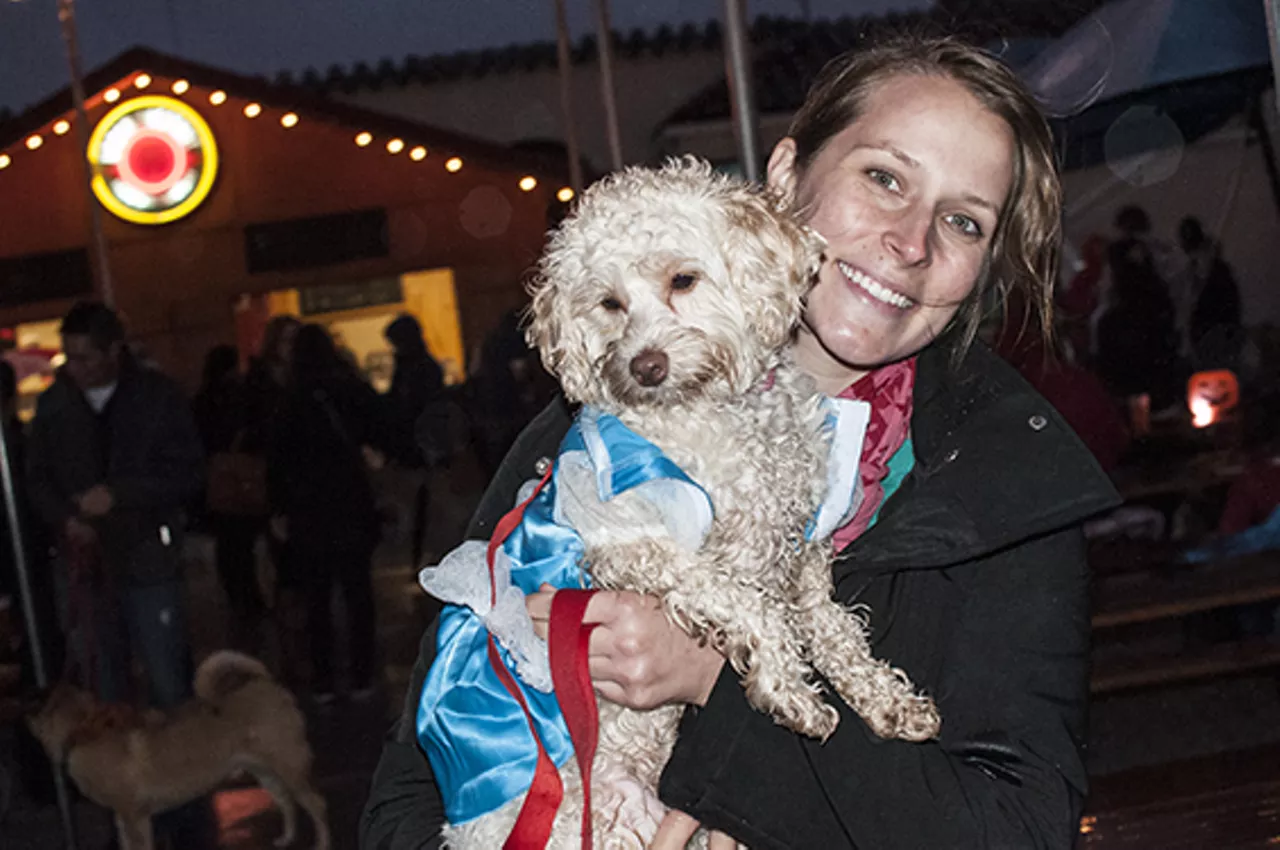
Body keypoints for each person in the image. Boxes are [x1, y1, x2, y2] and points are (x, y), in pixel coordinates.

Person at [361, 36, 1120, 849]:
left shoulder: (1012, 483)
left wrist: (712, 686)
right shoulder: (587, 445)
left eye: (963, 221)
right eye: (884, 178)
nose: (912, 241)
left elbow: (1022, 829)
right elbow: (404, 802)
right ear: (787, 175)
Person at [27, 301, 203, 709]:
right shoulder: (54, 404)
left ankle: (181, 765)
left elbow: (188, 471)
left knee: (168, 680)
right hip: (84, 564)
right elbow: (36, 477)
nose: (76, 368)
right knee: (102, 689)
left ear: (114, 351)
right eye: (69, 357)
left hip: (147, 557)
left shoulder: (157, 397)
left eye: (86, 357)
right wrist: (66, 517)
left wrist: (121, 494)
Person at [268, 324, 384, 703]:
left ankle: (323, 679)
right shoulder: (349, 389)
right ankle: (363, 674)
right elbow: (381, 427)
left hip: (308, 510)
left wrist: (279, 509)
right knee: (358, 594)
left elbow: (278, 460)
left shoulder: (290, 398)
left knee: (316, 598)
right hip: (351, 503)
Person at [192, 343, 266, 651]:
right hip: (240, 478)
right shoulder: (240, 396)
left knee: (229, 545)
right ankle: (248, 596)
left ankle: (238, 596)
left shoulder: (203, 400)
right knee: (242, 544)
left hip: (218, 480)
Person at [382, 314, 446, 566]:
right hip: (422, 449)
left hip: (415, 449)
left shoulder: (412, 369)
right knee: (425, 510)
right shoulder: (423, 367)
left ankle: (418, 558)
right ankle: (421, 557)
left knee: (420, 508)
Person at [1178, 216, 1243, 371]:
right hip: (1207, 335)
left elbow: (1226, 304)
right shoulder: (1192, 271)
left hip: (1215, 333)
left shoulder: (1215, 271)